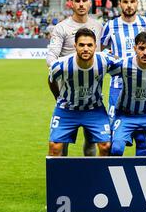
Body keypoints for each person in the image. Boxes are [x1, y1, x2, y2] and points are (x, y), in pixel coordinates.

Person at [46, 0, 103, 156]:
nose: (81, 4)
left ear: (90, 3)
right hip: (68, 95)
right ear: (71, 3)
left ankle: (90, 177)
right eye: (77, 0)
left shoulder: (98, 26)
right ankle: (64, 179)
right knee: (61, 144)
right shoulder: (62, 28)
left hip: (92, 96)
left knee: (91, 141)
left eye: (84, 0)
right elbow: (51, 57)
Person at [48, 28, 117, 156]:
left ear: (96, 46)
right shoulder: (60, 65)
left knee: (105, 146)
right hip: (66, 110)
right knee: (55, 147)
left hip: (94, 109)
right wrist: (58, 98)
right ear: (75, 46)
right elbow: (51, 80)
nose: (86, 49)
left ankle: (100, 175)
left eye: (90, 45)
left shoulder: (105, 60)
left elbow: (124, 68)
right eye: (81, 45)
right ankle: (60, 176)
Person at [101, 0, 146, 156]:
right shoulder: (110, 25)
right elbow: (102, 50)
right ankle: (113, 175)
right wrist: (111, 56)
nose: (129, 5)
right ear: (119, 4)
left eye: (132, 1)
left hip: (142, 87)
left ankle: (143, 175)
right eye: (125, 2)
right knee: (115, 134)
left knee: (141, 135)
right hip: (117, 86)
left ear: (137, 3)